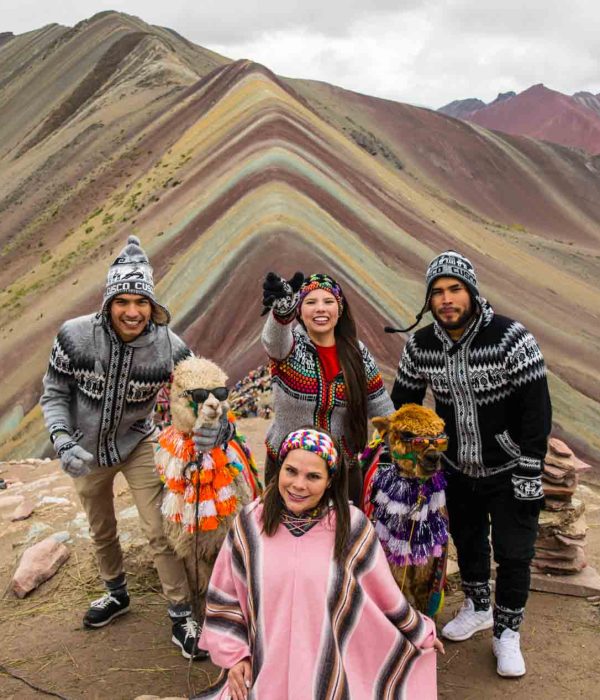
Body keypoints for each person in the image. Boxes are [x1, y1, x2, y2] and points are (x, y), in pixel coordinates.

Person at [39, 235, 229, 659]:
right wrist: (62, 439)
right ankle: (116, 593)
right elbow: (53, 393)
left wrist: (217, 428)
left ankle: (181, 614)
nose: (132, 311)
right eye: (122, 300)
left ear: (152, 306)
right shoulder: (73, 336)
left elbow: (202, 392)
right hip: (83, 450)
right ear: (108, 302)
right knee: (101, 527)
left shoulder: (171, 347)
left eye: (140, 302)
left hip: (139, 441)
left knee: (159, 528)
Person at [390, 250, 552, 678]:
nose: (446, 299)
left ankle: (507, 632)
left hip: (511, 467)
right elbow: (403, 403)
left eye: (454, 290)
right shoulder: (420, 345)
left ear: (473, 293)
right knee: (468, 540)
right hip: (455, 467)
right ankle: (478, 606)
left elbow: (537, 408)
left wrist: (531, 464)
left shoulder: (511, 338)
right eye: (438, 292)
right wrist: (412, 453)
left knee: (515, 553)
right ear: (429, 300)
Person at [198, 427, 443, 700]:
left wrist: (420, 633)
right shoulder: (250, 525)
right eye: (291, 471)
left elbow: (384, 597)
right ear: (279, 470)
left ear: (329, 481)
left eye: (313, 476)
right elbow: (225, 597)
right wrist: (235, 658)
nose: (299, 485)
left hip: (330, 674)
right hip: (263, 671)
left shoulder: (350, 527)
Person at [260, 272, 394, 502]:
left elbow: (381, 405)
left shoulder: (357, 354)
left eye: (328, 301)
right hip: (289, 470)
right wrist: (281, 311)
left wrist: (406, 449)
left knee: (343, 535)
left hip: (342, 471)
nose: (320, 308)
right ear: (299, 311)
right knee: (284, 535)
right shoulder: (290, 349)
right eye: (311, 302)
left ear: (339, 309)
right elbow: (273, 340)